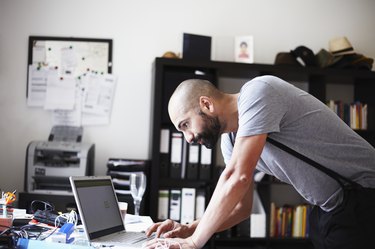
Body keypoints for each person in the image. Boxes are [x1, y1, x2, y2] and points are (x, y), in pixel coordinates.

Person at [145, 75, 375, 249]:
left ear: (206, 104)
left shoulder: (259, 92)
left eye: (185, 125)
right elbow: (240, 208)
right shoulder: (231, 140)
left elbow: (237, 177)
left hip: (363, 196)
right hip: (329, 211)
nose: (188, 138)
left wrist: (194, 243)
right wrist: (189, 228)